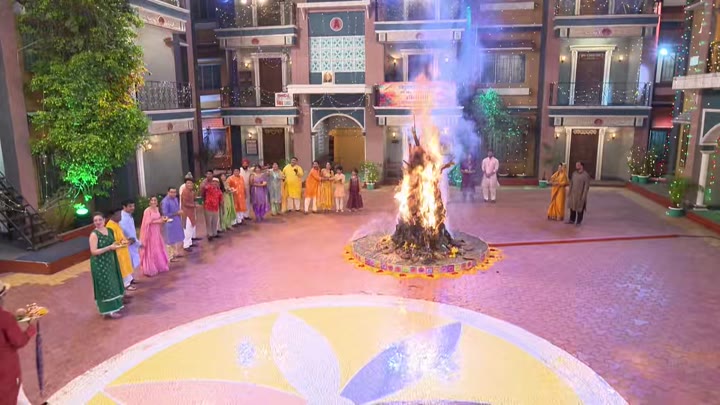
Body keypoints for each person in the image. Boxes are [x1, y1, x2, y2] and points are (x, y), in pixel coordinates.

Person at [0, 282, 38, 405]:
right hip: (6, 373)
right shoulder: (5, 318)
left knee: (20, 397)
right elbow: (19, 341)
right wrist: (31, 329)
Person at [88, 212, 125, 318]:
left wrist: (118, 245)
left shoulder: (109, 230)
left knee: (113, 283)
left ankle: (115, 307)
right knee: (106, 286)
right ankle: (109, 311)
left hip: (110, 261)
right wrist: (109, 248)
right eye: (95, 220)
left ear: (104, 220)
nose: (98, 222)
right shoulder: (94, 235)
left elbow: (113, 243)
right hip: (100, 264)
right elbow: (93, 251)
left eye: (100, 219)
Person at [106, 209, 137, 291]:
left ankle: (129, 281)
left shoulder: (116, 223)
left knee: (126, 266)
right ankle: (126, 285)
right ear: (113, 216)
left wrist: (128, 240)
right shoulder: (110, 226)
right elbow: (114, 241)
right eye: (119, 215)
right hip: (118, 252)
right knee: (122, 268)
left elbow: (121, 237)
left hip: (123, 250)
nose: (120, 217)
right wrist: (127, 242)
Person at [139, 196, 170, 276]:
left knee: (157, 248)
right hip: (149, 232)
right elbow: (147, 222)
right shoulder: (147, 211)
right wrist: (159, 221)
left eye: (155, 200)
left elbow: (158, 217)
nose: (153, 202)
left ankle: (159, 265)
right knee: (151, 248)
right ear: (149, 202)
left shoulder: (157, 209)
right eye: (152, 200)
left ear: (157, 202)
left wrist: (163, 219)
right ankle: (150, 268)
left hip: (156, 231)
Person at [119, 199, 140, 284]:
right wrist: (134, 240)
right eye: (130, 206)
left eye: (133, 206)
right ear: (124, 207)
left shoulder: (129, 215)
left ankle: (130, 278)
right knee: (127, 261)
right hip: (127, 242)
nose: (132, 208)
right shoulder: (122, 217)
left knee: (131, 261)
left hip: (132, 241)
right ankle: (127, 282)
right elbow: (125, 231)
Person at [161, 188, 185, 261]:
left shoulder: (175, 199)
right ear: (168, 192)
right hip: (170, 222)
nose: (173, 194)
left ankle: (176, 253)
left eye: (174, 192)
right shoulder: (165, 202)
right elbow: (165, 214)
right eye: (171, 192)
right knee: (170, 240)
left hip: (177, 221)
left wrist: (178, 213)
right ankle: (170, 257)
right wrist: (177, 213)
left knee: (178, 237)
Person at [567, 161, 591, 226]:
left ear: (581, 166)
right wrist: (569, 192)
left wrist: (584, 196)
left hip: (580, 194)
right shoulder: (574, 174)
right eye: (576, 165)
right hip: (573, 194)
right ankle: (572, 220)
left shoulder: (585, 175)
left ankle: (579, 221)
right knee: (572, 207)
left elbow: (586, 187)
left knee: (580, 208)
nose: (576, 166)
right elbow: (571, 183)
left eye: (578, 165)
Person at [180, 178, 197, 252]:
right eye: (188, 183)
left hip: (191, 212)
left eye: (191, 183)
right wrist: (194, 205)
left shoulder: (191, 192)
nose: (190, 184)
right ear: (185, 184)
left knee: (191, 228)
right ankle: (186, 245)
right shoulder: (185, 192)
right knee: (187, 229)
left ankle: (189, 243)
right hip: (186, 213)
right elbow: (185, 203)